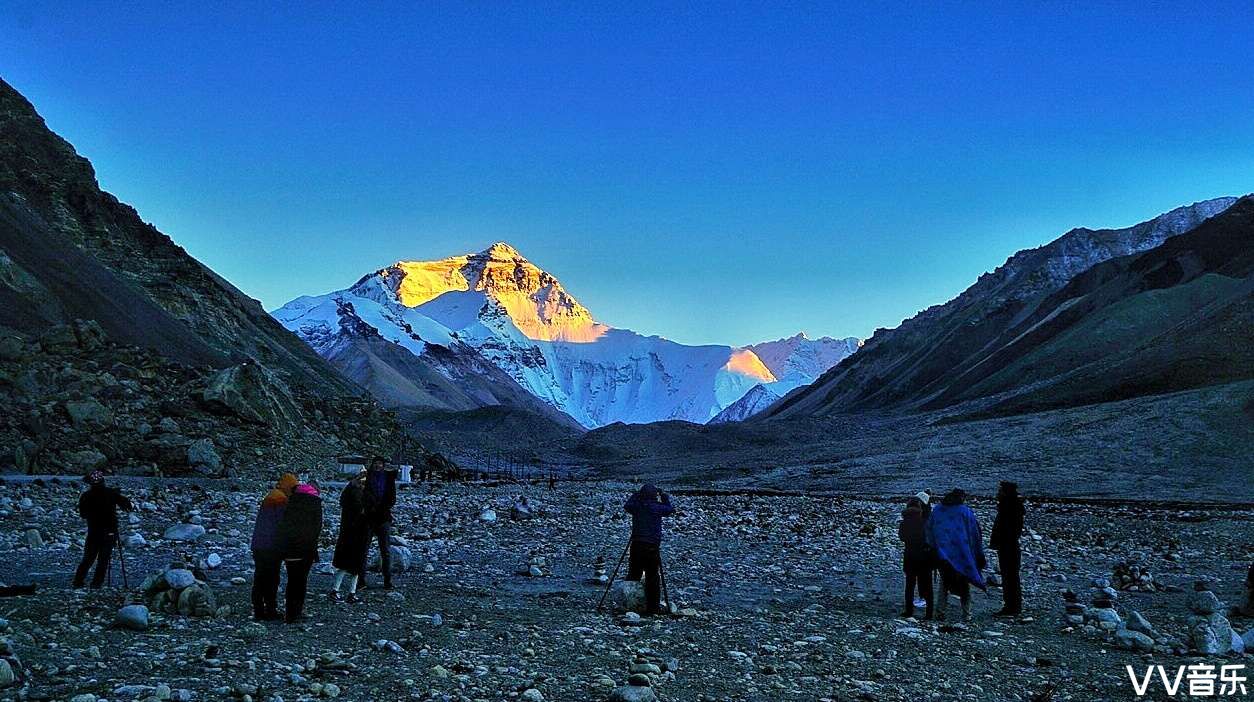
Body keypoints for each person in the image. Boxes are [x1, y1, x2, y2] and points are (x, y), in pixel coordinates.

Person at [925, 488, 986, 622]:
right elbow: (974, 533)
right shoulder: (965, 511)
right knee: (964, 585)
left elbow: (929, 529)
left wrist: (933, 548)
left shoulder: (938, 510)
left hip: (943, 554)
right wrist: (977, 553)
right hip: (962, 554)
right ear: (961, 498)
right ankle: (966, 614)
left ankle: (940, 612)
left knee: (944, 584)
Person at [73, 470, 133, 589]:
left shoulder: (86, 496)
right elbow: (127, 505)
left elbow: (83, 514)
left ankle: (78, 581)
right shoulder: (111, 493)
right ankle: (96, 583)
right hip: (110, 531)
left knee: (89, 558)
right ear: (103, 481)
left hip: (94, 531)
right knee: (103, 559)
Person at [250, 473, 297, 620]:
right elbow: (282, 524)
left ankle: (258, 610)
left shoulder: (271, 495)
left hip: (259, 544)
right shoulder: (281, 499)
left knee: (259, 578)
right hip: (271, 546)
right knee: (271, 579)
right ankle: (270, 610)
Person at [624, 484, 675, 615]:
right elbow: (669, 509)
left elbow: (627, 505)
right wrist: (664, 496)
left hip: (636, 544)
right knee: (652, 577)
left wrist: (636, 495)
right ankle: (653, 608)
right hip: (652, 546)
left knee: (634, 574)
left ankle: (629, 603)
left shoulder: (637, 507)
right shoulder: (657, 507)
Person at [276, 481, 323, 623]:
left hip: (290, 549)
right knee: (301, 581)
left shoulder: (290, 501)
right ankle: (298, 611)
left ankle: (289, 613)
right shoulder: (315, 503)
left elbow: (283, 525)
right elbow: (317, 527)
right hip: (306, 549)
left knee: (292, 581)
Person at [330, 472, 369, 602]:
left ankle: (340, 590)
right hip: (356, 535)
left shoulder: (348, 496)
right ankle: (349, 592)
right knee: (354, 566)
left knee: (346, 565)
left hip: (349, 534)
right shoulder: (358, 499)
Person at [359, 457, 397, 590]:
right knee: (364, 550)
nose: (377, 466)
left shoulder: (389, 479)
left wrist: (381, 507)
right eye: (375, 463)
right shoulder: (366, 477)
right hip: (369, 517)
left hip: (383, 517)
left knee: (385, 551)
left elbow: (392, 498)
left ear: (383, 465)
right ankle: (361, 580)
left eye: (380, 464)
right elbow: (361, 495)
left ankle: (388, 580)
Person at [990, 481, 1026, 617]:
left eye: (1000, 491)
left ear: (1005, 493)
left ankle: (1011, 607)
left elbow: (1008, 530)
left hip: (1007, 546)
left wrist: (1000, 541)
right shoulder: (1013, 507)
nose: (997, 493)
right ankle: (1013, 606)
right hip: (1009, 546)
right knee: (1010, 577)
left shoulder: (1008, 508)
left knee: (1009, 577)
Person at [898, 494, 934, 619]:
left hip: (910, 556)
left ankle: (909, 611)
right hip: (924, 557)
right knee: (927, 585)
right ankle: (929, 613)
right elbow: (930, 538)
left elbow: (902, 537)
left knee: (910, 585)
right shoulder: (925, 521)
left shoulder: (904, 522)